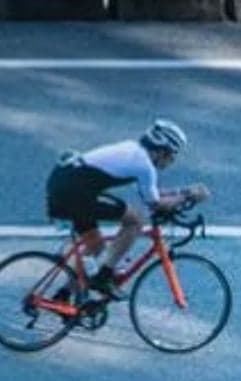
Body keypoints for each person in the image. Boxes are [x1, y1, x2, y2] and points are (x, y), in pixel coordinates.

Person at [46, 120, 192, 300]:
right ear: (162, 151)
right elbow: (155, 203)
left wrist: (182, 192)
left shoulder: (134, 151)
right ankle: (104, 276)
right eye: (172, 156)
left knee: (95, 245)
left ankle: (63, 295)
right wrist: (188, 196)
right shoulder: (144, 165)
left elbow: (152, 193)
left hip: (66, 185)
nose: (172, 161)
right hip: (76, 192)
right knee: (136, 220)